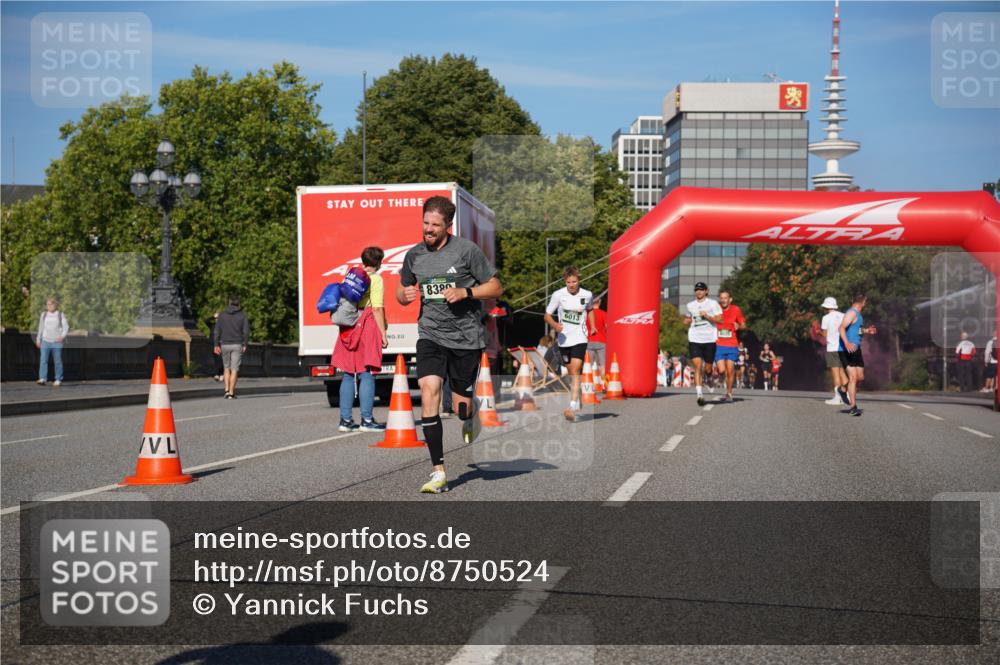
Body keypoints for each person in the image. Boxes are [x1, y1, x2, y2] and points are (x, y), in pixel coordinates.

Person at [397, 195, 502, 494]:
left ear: (448, 226)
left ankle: (470, 413)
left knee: (460, 408)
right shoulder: (414, 255)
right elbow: (401, 289)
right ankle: (438, 472)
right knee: (429, 390)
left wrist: (466, 293)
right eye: (425, 223)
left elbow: (496, 286)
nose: (428, 229)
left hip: (466, 338)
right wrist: (403, 296)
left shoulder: (466, 251)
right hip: (430, 334)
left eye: (435, 225)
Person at [332, 246, 389, 433]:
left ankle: (345, 420)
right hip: (367, 324)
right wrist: (383, 333)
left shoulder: (351, 277)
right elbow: (377, 308)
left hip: (349, 326)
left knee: (349, 373)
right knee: (367, 373)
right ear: (379, 262)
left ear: (364, 260)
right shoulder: (376, 279)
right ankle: (367, 420)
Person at [545, 266, 594, 422]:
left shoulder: (587, 294)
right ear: (565, 281)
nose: (571, 285)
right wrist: (555, 325)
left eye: (574, 282)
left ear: (579, 280)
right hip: (564, 340)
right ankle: (577, 394)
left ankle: (572, 406)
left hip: (580, 337)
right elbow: (547, 315)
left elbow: (590, 310)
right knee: (571, 371)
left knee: (577, 369)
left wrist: (592, 326)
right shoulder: (558, 295)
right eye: (568, 282)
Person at [683, 281, 723, 406]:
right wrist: (687, 320)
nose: (699, 292)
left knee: (708, 369)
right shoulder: (690, 305)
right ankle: (699, 395)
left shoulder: (713, 303)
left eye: (701, 290)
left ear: (706, 291)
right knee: (698, 366)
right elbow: (688, 318)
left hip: (710, 339)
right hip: (695, 339)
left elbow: (720, 319)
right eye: (697, 290)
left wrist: (707, 316)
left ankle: (709, 378)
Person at [838, 294, 877, 416]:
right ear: (863, 303)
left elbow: (856, 330)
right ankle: (853, 407)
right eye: (865, 302)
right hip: (846, 349)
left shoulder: (859, 315)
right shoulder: (851, 313)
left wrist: (867, 330)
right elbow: (841, 328)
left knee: (860, 378)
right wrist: (846, 343)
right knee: (853, 378)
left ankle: (843, 389)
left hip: (856, 349)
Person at [214, 295, 249, 399]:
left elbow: (216, 331)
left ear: (229, 303)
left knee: (226, 368)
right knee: (234, 369)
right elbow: (246, 332)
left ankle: (226, 390)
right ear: (239, 303)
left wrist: (216, 345)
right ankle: (231, 392)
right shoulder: (243, 315)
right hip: (237, 344)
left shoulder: (222, 315)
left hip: (224, 344)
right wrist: (245, 344)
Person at [714, 290, 746, 402]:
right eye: (721, 298)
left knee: (730, 370)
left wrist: (739, 326)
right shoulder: (716, 309)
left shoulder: (736, 309)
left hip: (732, 345)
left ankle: (729, 393)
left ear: (730, 299)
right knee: (722, 370)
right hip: (719, 344)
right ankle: (721, 379)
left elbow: (743, 325)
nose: (723, 300)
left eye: (725, 298)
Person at [819, 297, 849, 405]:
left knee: (836, 373)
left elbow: (825, 334)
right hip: (842, 347)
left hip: (832, 348)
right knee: (842, 372)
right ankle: (847, 395)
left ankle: (837, 397)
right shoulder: (843, 315)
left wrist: (818, 332)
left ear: (826, 307)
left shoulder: (825, 318)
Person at [35, 296, 69, 386]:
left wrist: (62, 337)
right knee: (43, 360)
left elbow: (66, 327)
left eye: (51, 304)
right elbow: (40, 328)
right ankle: (42, 378)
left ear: (55, 305)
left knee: (58, 361)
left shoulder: (60, 314)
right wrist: (38, 339)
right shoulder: (44, 315)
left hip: (57, 342)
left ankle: (58, 379)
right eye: (48, 304)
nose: (49, 306)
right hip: (45, 341)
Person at [587, 293, 608, 381]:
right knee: (603, 365)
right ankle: (605, 384)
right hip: (602, 342)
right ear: (599, 301)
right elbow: (607, 328)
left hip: (589, 342)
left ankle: (588, 384)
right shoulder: (604, 314)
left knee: (588, 366)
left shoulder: (587, 314)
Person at [205, 312, 224, 381]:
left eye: (218, 318)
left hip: (220, 344)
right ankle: (219, 374)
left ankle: (219, 374)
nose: (217, 319)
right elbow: (206, 321)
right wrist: (213, 316)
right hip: (212, 344)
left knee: (220, 359)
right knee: (216, 359)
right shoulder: (212, 325)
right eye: (216, 319)